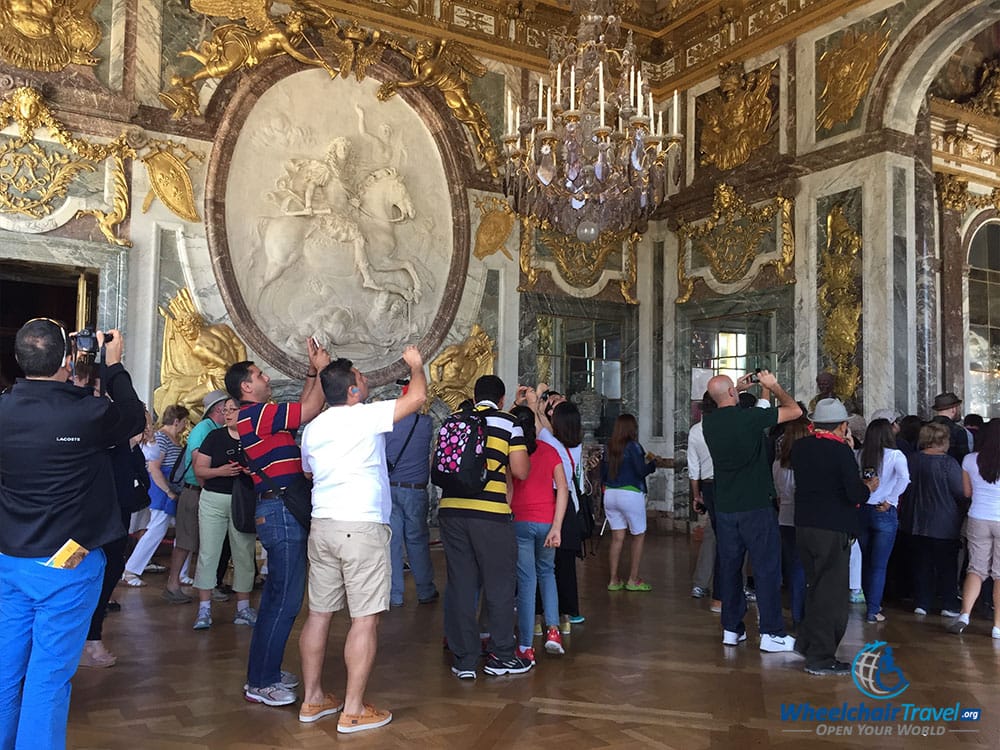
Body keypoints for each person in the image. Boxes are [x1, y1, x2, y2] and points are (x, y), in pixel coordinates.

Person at [0, 319, 144, 749]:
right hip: (69, 560)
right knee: (47, 677)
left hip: (10, 557)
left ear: (19, 359)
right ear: (67, 359)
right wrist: (113, 365)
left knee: (6, 671)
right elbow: (133, 415)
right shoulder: (87, 413)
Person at [296, 346, 426, 733]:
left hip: (323, 524)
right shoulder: (365, 416)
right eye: (361, 377)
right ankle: (352, 709)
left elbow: (308, 472)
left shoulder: (313, 428)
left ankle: (312, 698)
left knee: (319, 614)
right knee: (365, 619)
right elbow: (417, 398)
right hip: (361, 526)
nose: (365, 379)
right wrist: (416, 366)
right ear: (352, 391)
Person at [226, 338, 331, 707]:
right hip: (280, 512)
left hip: (278, 509)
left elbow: (304, 409)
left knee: (277, 597)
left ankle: (263, 670)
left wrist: (312, 372)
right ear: (246, 387)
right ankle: (262, 681)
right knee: (284, 599)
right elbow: (310, 409)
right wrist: (323, 371)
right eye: (259, 375)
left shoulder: (261, 416)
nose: (266, 377)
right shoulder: (255, 414)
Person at [702, 370, 801, 653]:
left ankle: (731, 629)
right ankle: (771, 632)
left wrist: (747, 391)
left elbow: (753, 414)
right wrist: (773, 385)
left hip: (726, 508)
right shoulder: (748, 419)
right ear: (732, 393)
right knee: (766, 568)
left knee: (730, 568)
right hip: (755, 505)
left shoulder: (709, 423)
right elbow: (794, 411)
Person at [439, 374, 531, 680]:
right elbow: (520, 470)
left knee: (461, 585)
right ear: (501, 400)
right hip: (490, 514)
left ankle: (464, 660)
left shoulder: (454, 419)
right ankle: (502, 656)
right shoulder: (508, 423)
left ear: (475, 396)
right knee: (499, 585)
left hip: (451, 512)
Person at [792, 398, 875, 675]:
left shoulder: (800, 447)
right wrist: (869, 486)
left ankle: (806, 642)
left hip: (805, 526)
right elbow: (855, 494)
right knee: (832, 594)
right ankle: (821, 657)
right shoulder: (840, 452)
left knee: (816, 587)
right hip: (832, 529)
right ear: (842, 426)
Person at [190, 398, 258, 630]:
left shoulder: (253, 437)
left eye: (233, 410)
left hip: (243, 501)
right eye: (225, 410)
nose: (228, 414)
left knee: (244, 553)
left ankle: (243, 608)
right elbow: (200, 469)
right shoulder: (215, 437)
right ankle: (204, 608)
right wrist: (221, 471)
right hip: (213, 499)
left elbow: (264, 468)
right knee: (209, 553)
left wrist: (250, 471)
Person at [509, 401, 568, 662]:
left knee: (526, 581)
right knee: (547, 574)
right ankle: (553, 631)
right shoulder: (549, 450)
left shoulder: (512, 453)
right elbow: (563, 488)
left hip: (519, 521)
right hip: (546, 521)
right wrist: (557, 525)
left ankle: (525, 645)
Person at [167, 389, 231, 605]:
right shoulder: (203, 429)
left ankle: (206, 586)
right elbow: (198, 464)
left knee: (205, 543)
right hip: (196, 491)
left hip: (202, 491)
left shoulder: (214, 429)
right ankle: (173, 584)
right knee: (186, 541)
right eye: (228, 408)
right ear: (219, 409)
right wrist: (208, 491)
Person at [121, 404, 190, 597]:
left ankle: (182, 572)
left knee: (183, 530)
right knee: (156, 530)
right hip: (162, 489)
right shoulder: (162, 438)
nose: (185, 426)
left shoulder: (170, 439)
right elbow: (154, 467)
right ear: (176, 421)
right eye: (184, 422)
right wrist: (167, 490)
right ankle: (131, 570)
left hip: (169, 487)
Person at [905, 422, 966, 617]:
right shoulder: (948, 463)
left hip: (915, 520)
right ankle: (948, 603)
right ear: (943, 440)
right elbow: (961, 491)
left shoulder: (912, 460)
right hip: (944, 522)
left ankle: (922, 602)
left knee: (921, 563)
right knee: (946, 565)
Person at [386, 384, 438, 608]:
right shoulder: (425, 423)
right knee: (417, 541)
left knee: (393, 542)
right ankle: (425, 591)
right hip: (415, 490)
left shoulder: (388, 423)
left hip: (390, 488)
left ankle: (395, 594)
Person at [948, 420, 1000, 637]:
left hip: (978, 517)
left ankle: (964, 615)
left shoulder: (969, 460)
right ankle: (997, 626)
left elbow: (967, 493)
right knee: (999, 574)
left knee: (976, 569)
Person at [857, 418, 910, 623]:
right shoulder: (896, 455)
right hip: (884, 510)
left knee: (866, 561)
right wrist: (890, 499)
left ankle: (870, 602)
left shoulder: (861, 454)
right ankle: (873, 609)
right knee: (879, 565)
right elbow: (904, 478)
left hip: (863, 509)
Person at [602, 414, 657, 592]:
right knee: (638, 535)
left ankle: (613, 580)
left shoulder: (609, 447)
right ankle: (633, 579)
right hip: (630, 494)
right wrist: (653, 464)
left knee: (617, 537)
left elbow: (603, 474)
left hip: (610, 494)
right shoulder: (634, 446)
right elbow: (640, 471)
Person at [773, 416, 810, 627]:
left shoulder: (777, 464)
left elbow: (778, 495)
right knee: (803, 569)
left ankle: (797, 612)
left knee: (794, 568)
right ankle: (800, 614)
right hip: (804, 519)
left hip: (784, 518)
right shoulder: (806, 465)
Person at [689, 392, 721, 612]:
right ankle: (732, 585)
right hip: (727, 483)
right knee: (733, 535)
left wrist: (697, 495)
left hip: (707, 486)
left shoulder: (695, 431)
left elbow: (694, 469)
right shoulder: (727, 427)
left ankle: (700, 584)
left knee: (712, 533)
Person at [931, 392, 973, 463]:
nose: (960, 411)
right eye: (959, 408)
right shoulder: (959, 431)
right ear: (953, 409)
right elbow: (963, 460)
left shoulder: (923, 428)